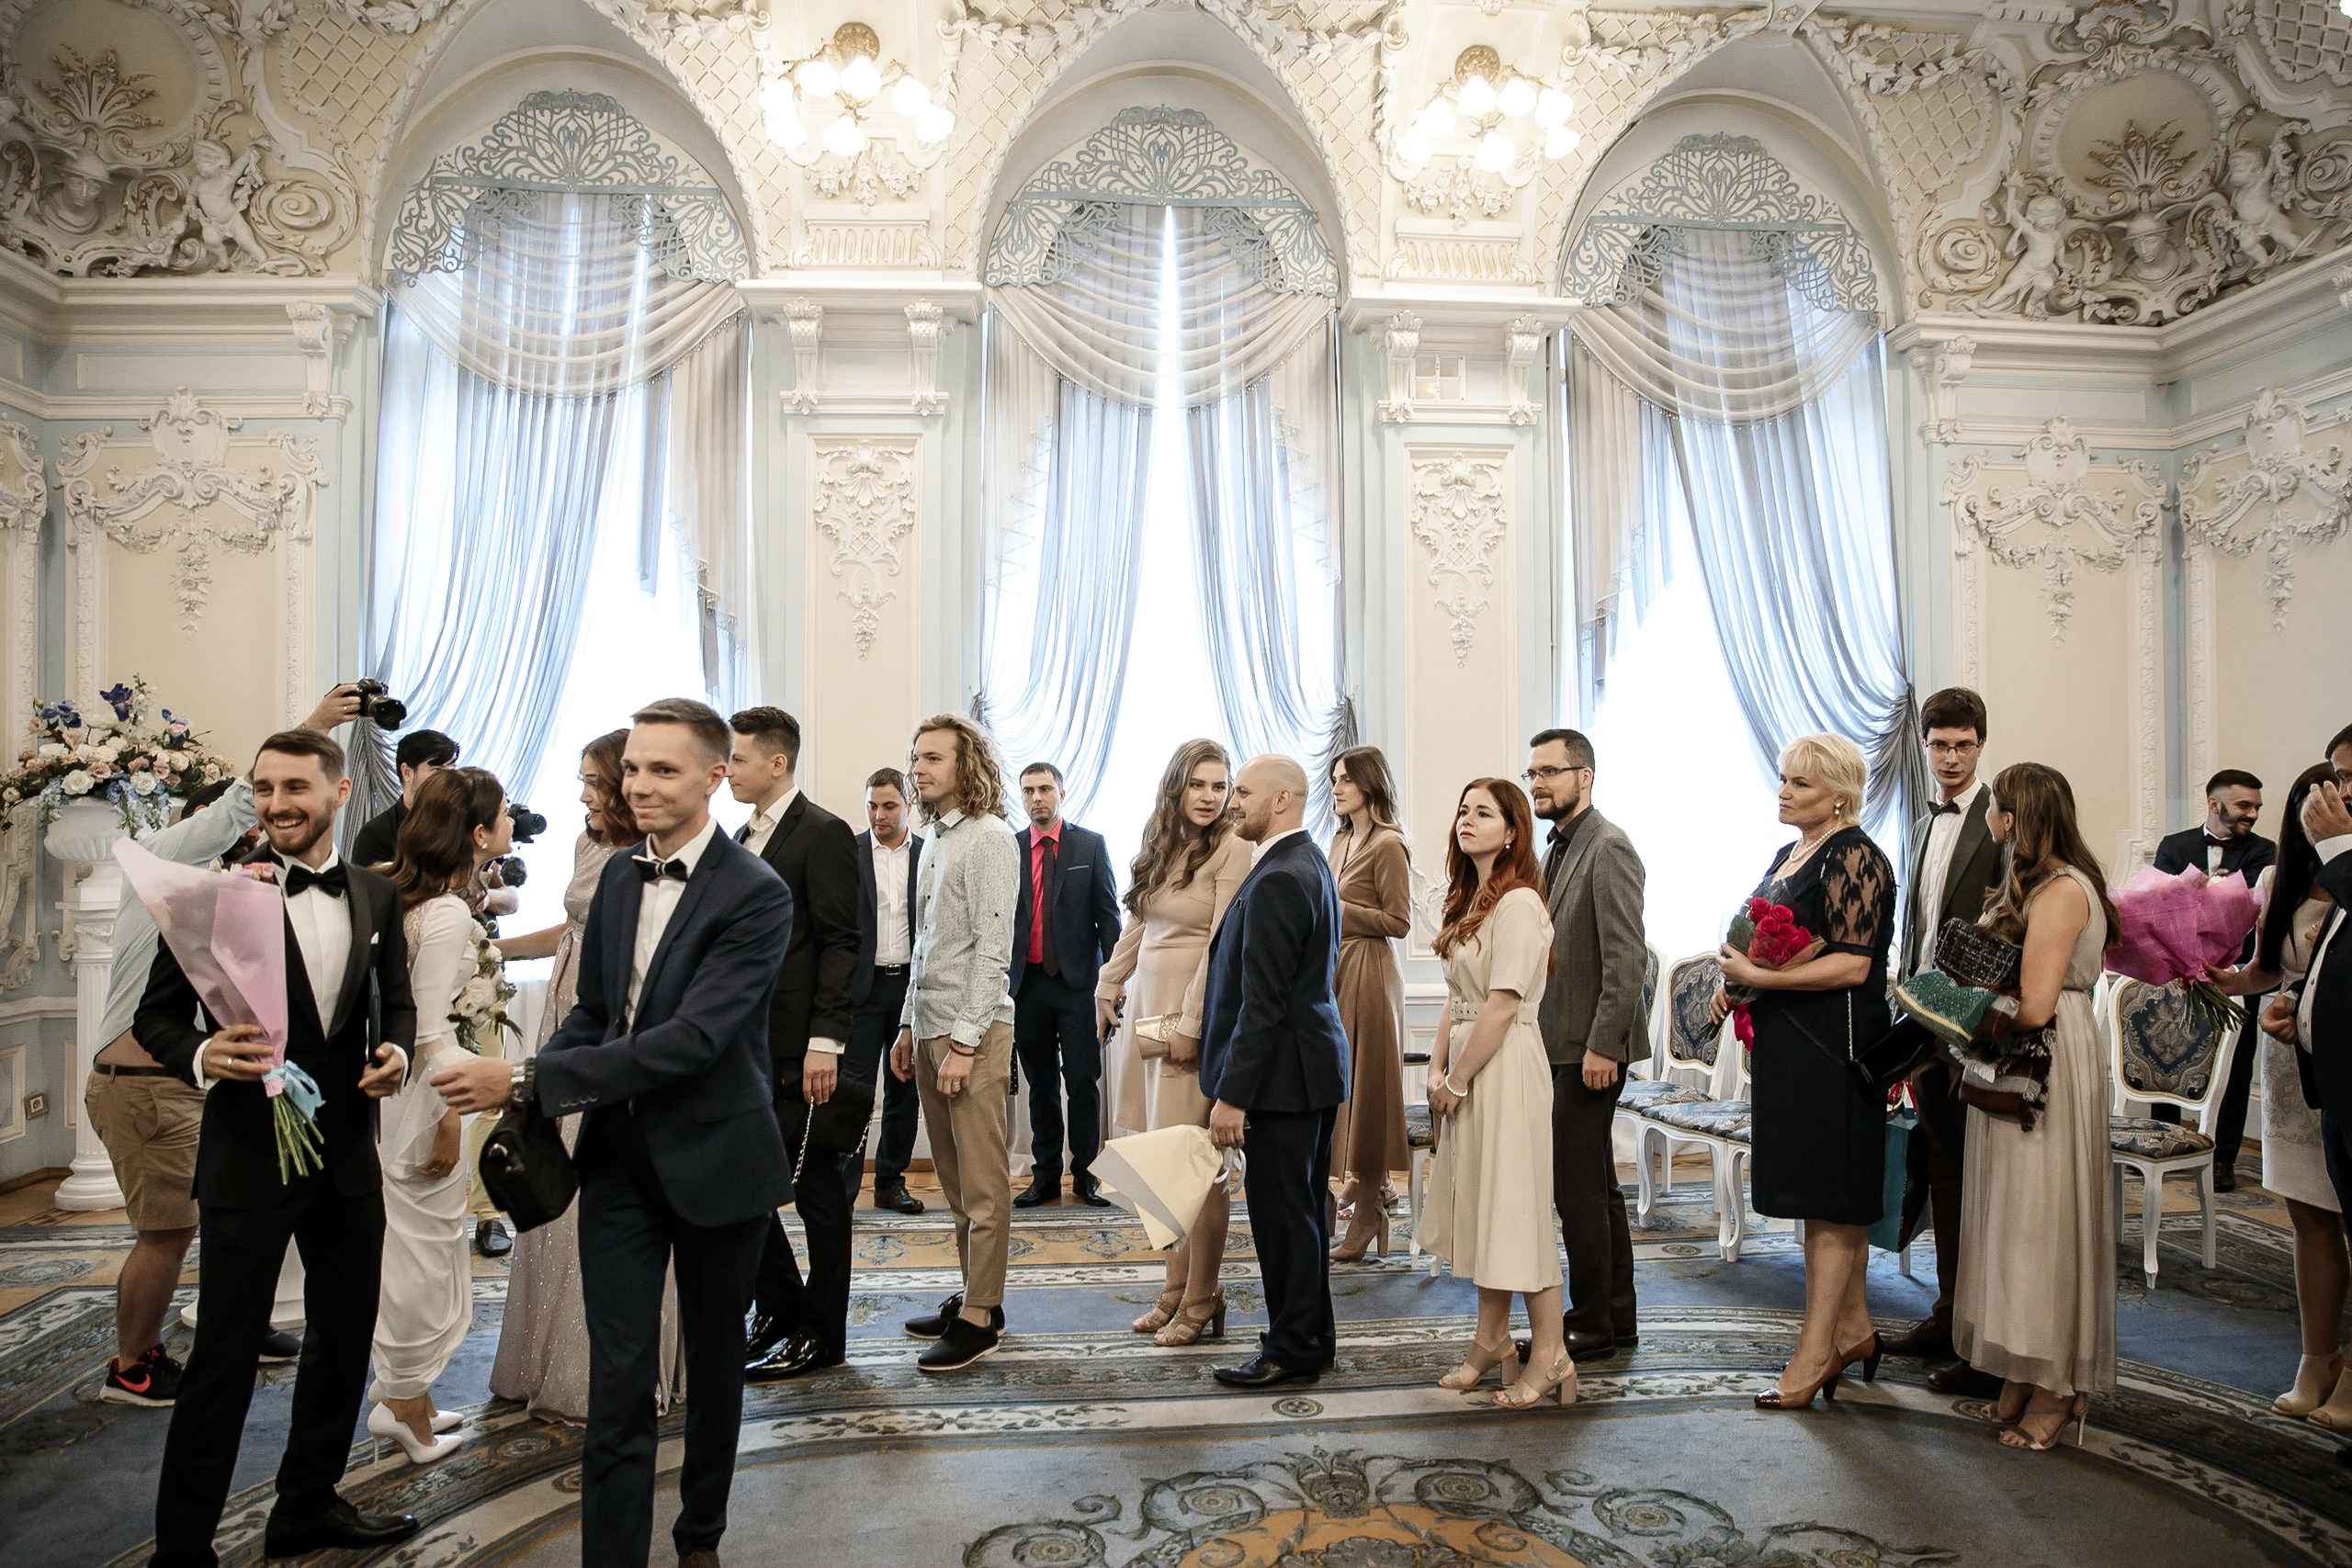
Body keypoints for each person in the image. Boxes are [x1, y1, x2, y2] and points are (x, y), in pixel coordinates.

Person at [434, 697, 794, 1568]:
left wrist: (524, 1076)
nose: (638, 784)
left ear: (715, 778)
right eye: (632, 766)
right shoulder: (621, 874)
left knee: (712, 1371)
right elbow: (597, 1012)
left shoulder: (757, 893)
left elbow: (696, 1041)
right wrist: (532, 1101)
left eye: (663, 769)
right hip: (621, 1165)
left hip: (720, 1159)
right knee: (619, 1381)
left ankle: (699, 1535)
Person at [136, 728, 421, 1565]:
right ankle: (182, 1547)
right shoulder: (215, 896)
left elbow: (394, 1000)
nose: (275, 804)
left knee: (343, 1340)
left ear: (339, 793)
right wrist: (199, 1053)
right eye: (263, 789)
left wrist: (397, 1050)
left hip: (346, 1163)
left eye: (294, 786)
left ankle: (305, 1505)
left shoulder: (375, 892)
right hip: (246, 1161)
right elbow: (153, 1016)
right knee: (223, 1356)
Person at [89, 686, 359, 1411]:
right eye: (242, 826)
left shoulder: (224, 891)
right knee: (166, 1231)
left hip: (190, 1084)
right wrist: (318, 724)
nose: (253, 838)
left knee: (213, 1220)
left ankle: (231, 1319)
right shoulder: (159, 862)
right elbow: (241, 805)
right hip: (142, 1084)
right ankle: (132, 1363)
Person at [488, 731, 687, 1424]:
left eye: (593, 783)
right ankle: (536, 1357)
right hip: (561, 1020)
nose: (583, 795)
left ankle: (598, 1369)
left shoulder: (649, 864)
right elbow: (568, 932)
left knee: (599, 1185)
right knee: (547, 1177)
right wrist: (495, 950)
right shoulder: (585, 847)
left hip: (607, 1039)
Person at [1708, 733, 1894, 1410]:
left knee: (1832, 1201)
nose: (1783, 792)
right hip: (1794, 1045)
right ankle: (1853, 1330)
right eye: (1784, 780)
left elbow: (1854, 963)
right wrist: (1739, 983)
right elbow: (1766, 937)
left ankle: (1814, 1353)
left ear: (1840, 793)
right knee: (1822, 1198)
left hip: (1835, 1049)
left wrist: (1758, 974)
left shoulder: (1857, 855)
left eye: (1801, 785)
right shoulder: (1794, 851)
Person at [1952, 762, 2120, 1451]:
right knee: (2013, 1216)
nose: (1988, 815)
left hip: (2048, 1058)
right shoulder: (2036, 884)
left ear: (2013, 817)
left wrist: (1951, 1005)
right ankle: (2022, 1370)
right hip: (2023, 1058)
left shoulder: (2059, 892)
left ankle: (2056, 1385)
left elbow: (2036, 1005)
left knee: (2041, 1219)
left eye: (1994, 806)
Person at [367, 766, 512, 1463]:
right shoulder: (449, 912)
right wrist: (452, 1117)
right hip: (426, 1101)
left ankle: (409, 1397)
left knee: (412, 1248)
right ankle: (401, 1403)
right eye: (505, 815)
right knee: (420, 1259)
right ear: (479, 833)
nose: (512, 823)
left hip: (403, 1097)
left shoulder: (411, 897)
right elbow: (427, 1029)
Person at [1419, 778, 1574, 1407]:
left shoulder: (1518, 904)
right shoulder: (1472, 899)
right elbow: (1460, 997)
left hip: (1507, 1067)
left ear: (1512, 830)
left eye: (1484, 812)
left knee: (1517, 1208)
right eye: (1462, 809)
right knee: (1483, 1206)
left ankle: (1553, 1353)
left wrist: (1458, 1077)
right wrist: (1436, 1065)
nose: (1467, 819)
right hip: (1472, 1059)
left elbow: (1504, 1005)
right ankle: (1491, 1340)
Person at [1200, 754, 1351, 1391]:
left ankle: (1290, 1348)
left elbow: (1263, 1002)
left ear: (1281, 800)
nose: (1234, 801)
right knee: (1304, 1215)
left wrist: (1233, 1096)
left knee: (1284, 1219)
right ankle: (1311, 1338)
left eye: (1243, 791)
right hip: (1306, 1070)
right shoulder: (1304, 860)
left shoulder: (1280, 877)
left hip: (1283, 1081)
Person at [1095, 739, 1252, 1344]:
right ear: (1177, 789)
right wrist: (1107, 983)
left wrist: (1193, 1022)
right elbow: (1139, 924)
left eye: (1220, 785)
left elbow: (1221, 945)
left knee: (1198, 1165)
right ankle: (1172, 1289)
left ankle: (1203, 1294)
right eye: (1199, 785)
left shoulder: (1235, 851)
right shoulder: (1162, 846)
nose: (1211, 796)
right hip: (1147, 1018)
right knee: (1161, 1163)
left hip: (1195, 1016)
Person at [726, 707, 863, 1384]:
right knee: (743, 1185)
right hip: (743, 1045)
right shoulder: (738, 835)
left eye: (738, 758)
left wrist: (825, 1039)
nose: (727, 769)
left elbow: (841, 941)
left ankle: (823, 1332)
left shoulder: (824, 832)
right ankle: (779, 1307)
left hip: (800, 1047)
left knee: (816, 1193)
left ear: (776, 763)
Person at [889, 714, 1021, 1372]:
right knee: (951, 1179)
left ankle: (981, 1317)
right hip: (934, 1025)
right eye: (916, 757)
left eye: (933, 757)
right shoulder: (935, 840)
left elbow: (994, 951)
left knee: (984, 1182)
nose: (919, 768)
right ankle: (978, 1295)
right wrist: (910, 1024)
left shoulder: (992, 838)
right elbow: (927, 946)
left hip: (976, 1030)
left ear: (965, 764)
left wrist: (965, 1043)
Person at [1885, 687, 2005, 1396]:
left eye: (1963, 745)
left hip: (1970, 1030)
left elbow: (2006, 933)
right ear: (1925, 746)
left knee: (1972, 1178)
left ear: (1981, 745)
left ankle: (1976, 1330)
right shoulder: (1925, 822)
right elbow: (1920, 926)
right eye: (1939, 745)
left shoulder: (1999, 825)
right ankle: (1948, 1311)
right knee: (1938, 1172)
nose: (1951, 757)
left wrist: (1970, 1019)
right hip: (1923, 1025)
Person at [1523, 728, 1648, 1362]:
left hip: (1588, 1049)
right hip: (1562, 1042)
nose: (1539, 782)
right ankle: (1615, 1318)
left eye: (1550, 770)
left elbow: (1627, 959)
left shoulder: (1609, 847)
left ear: (1585, 775)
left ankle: (1590, 1322)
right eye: (1533, 772)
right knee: (1595, 1188)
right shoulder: (1563, 848)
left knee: (1577, 1194)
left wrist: (1604, 1045)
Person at [2235, 765, 2347, 1421]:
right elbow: (2266, 970)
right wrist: (2211, 974)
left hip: (2337, 1063)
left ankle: (2350, 1367)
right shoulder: (2278, 879)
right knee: (2307, 1213)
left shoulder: (2349, 876)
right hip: (2284, 1066)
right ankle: (2317, 1353)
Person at [2264, 724, 2352, 1468]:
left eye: (2349, 776)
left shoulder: (2344, 863)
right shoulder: (2304, 874)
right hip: (2318, 1069)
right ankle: (2320, 1356)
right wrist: (2299, 1007)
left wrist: (2339, 853)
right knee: (2312, 1218)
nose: (2340, 792)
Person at [2152, 767, 2277, 1183]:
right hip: (2176, 971)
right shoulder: (2175, 845)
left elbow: (2253, 905)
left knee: (2236, 1064)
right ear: (2214, 803)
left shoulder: (2265, 851)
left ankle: (2223, 1159)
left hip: (2240, 972)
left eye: (2257, 807)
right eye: (2244, 805)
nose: (2253, 814)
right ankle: (2160, 1143)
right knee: (2161, 1053)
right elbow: (2159, 904)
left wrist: (2201, 892)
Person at [1009, 761, 1124, 1208]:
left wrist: (1112, 984)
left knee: (1082, 1081)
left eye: (1044, 789)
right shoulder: (1010, 848)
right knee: (1039, 1084)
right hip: (1027, 985)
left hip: (1080, 986)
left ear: (1061, 792)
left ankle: (1087, 1176)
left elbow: (1109, 919)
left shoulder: (1090, 846)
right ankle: (1045, 1177)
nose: (1037, 797)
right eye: (1028, 791)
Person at [1324, 747, 1410, 1262]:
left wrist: (1338, 909)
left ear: (1369, 785)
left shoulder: (1388, 844)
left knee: (1370, 1087)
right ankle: (1365, 1190)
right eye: (1334, 779)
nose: (1336, 787)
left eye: (1345, 780)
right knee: (1345, 1088)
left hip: (1372, 972)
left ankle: (1372, 1204)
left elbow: (1397, 922)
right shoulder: (1338, 838)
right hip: (1336, 969)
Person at [852, 769, 926, 1214]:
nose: (878, 815)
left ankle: (889, 1183)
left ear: (908, 806)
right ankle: (843, 1184)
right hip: (863, 988)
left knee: (903, 1090)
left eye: (889, 806)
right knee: (854, 1090)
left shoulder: (929, 854)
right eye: (872, 806)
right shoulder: (850, 852)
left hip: (911, 990)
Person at [350, 728, 461, 868]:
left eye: (451, 770)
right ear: (407, 772)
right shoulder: (376, 833)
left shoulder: (462, 822)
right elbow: (366, 887)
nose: (447, 779)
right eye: (437, 770)